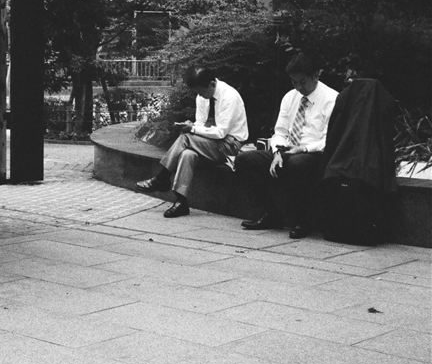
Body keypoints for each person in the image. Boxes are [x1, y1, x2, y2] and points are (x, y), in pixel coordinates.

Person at [234, 53, 339, 239]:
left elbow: (330, 139)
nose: (298, 87)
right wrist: (277, 152)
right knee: (245, 160)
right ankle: (271, 213)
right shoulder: (290, 97)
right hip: (287, 151)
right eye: (294, 82)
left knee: (298, 163)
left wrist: (303, 149)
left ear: (317, 75)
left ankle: (302, 220)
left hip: (314, 153)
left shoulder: (332, 99)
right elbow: (280, 132)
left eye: (303, 82)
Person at [136, 67, 248, 217]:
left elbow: (221, 132)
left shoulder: (230, 97)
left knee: (186, 137)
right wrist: (193, 126)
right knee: (187, 154)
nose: (200, 95)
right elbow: (201, 123)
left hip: (229, 146)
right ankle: (181, 202)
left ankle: (162, 177)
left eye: (202, 91)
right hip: (209, 144)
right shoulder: (202, 96)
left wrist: (193, 129)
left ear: (212, 84)